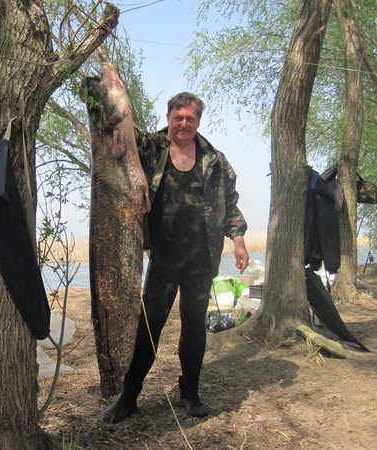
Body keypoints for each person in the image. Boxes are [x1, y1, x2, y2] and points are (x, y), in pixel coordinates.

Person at [102, 92, 249, 423]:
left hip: (202, 257)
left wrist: (239, 239)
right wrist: (108, 92)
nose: (184, 123)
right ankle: (129, 397)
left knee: (194, 325)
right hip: (164, 256)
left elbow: (231, 203)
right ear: (168, 117)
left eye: (190, 118)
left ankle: (190, 391)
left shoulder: (215, 160)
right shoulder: (150, 147)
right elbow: (115, 132)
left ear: (198, 121)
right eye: (178, 117)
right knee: (150, 325)